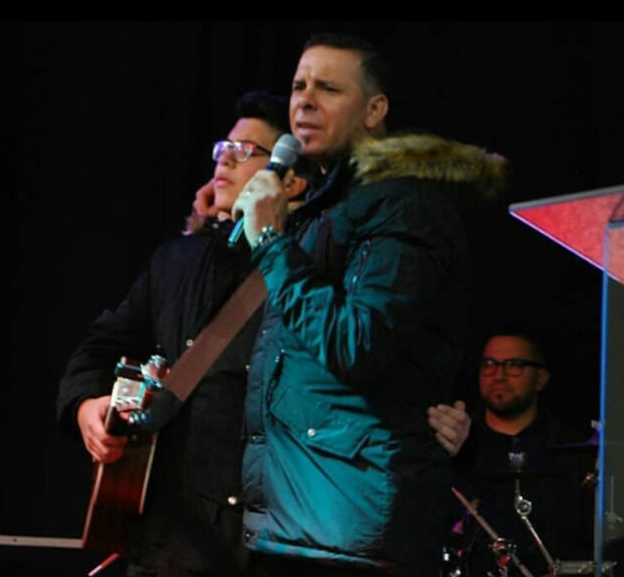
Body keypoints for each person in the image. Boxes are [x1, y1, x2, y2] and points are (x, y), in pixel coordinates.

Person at [57, 90, 471, 577]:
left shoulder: (322, 265)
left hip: (285, 542)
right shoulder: (176, 260)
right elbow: (100, 347)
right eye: (223, 148)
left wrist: (445, 423)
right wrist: (85, 405)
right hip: (174, 541)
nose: (225, 160)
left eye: (247, 151)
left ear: (292, 183)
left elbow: (374, 358)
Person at [232, 34, 505, 576]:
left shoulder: (406, 203)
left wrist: (271, 243)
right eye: (299, 86)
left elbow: (357, 344)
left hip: (352, 531)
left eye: (328, 89)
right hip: (299, 522)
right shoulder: (323, 208)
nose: (305, 101)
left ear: (375, 110)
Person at [449, 332, 596, 577]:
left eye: (514, 365)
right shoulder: (460, 446)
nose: (498, 375)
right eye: (489, 364)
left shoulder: (571, 450)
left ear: (541, 378)